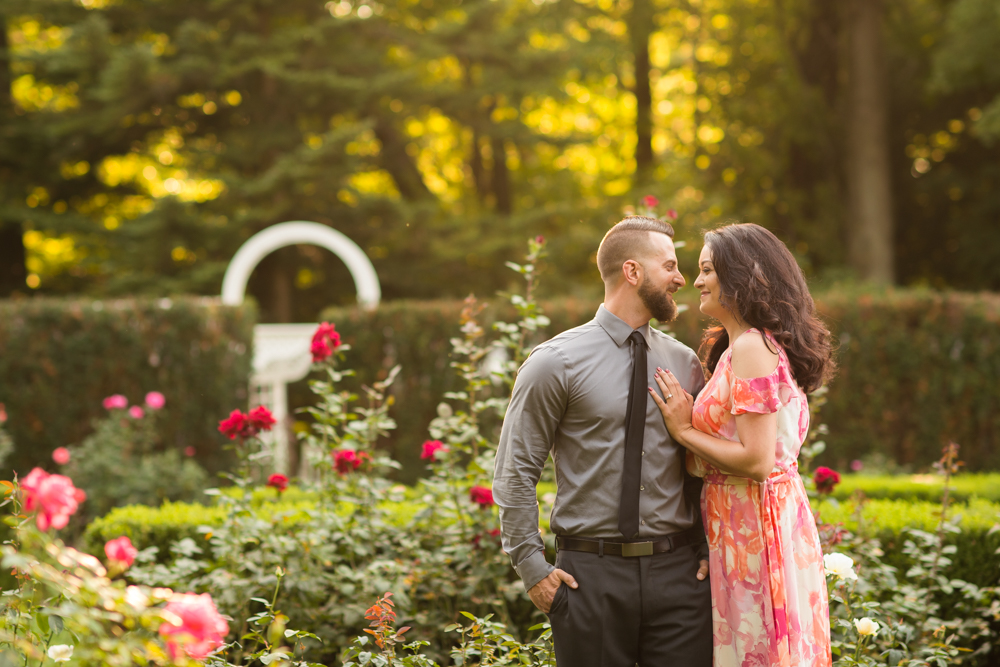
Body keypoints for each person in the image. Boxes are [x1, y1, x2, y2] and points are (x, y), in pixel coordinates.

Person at [493, 216, 713, 667]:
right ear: (632, 272)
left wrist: (708, 548)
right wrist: (532, 568)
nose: (680, 278)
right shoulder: (554, 363)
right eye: (669, 266)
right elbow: (516, 470)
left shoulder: (685, 363)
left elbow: (703, 466)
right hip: (588, 578)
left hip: (680, 575)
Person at [649, 222, 834, 667]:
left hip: (754, 523)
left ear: (740, 276)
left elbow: (756, 460)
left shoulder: (752, 347)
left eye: (707, 269)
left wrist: (683, 431)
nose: (696, 281)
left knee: (757, 651)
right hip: (742, 522)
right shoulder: (740, 347)